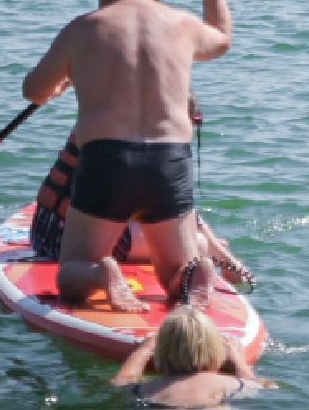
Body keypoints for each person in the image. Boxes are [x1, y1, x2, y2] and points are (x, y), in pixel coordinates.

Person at [22, 0, 233, 312]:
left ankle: (100, 272)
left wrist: (63, 81)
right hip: (170, 160)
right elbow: (222, 40)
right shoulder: (182, 24)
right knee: (172, 275)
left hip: (108, 160)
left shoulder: (83, 29)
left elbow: (34, 91)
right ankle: (193, 270)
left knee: (71, 273)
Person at [28, 120, 254, 292]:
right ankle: (103, 273)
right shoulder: (148, 144)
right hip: (72, 245)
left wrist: (222, 254)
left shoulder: (98, 118)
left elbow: (177, 210)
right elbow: (161, 209)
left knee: (193, 235)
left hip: (44, 227)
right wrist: (216, 252)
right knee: (198, 245)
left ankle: (209, 257)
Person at [111, 306, 270, 409]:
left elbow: (120, 383)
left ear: (161, 351)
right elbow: (257, 386)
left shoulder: (145, 389)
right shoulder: (235, 384)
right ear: (216, 350)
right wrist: (238, 361)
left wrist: (143, 351)